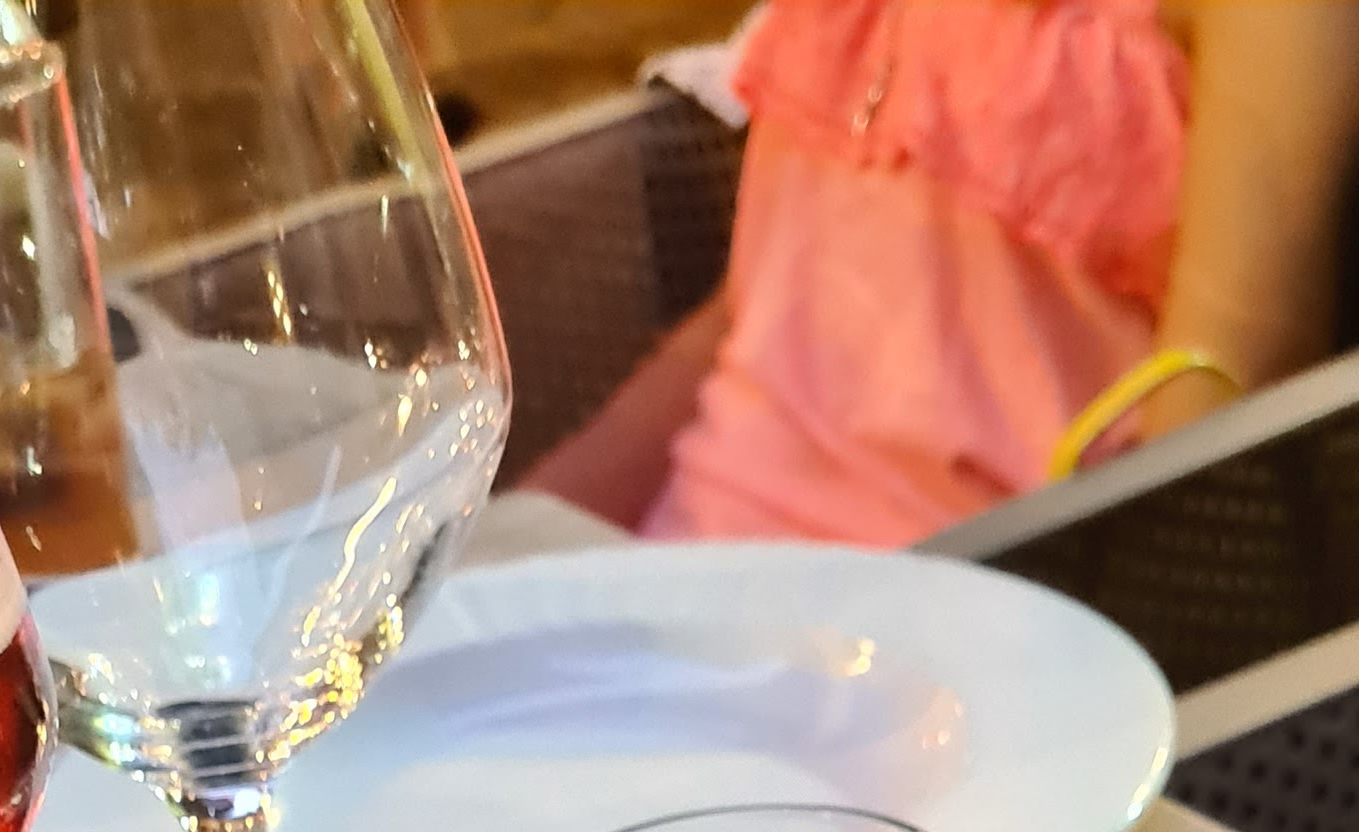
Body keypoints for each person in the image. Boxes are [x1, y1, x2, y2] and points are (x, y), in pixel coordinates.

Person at [528, 0, 1359, 544]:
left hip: (969, 642)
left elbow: (1215, 457)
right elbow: (743, 327)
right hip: (681, 579)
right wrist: (518, 536)